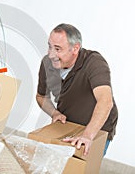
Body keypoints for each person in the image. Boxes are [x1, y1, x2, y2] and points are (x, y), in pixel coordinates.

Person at [36, 23, 118, 156]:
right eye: (49, 46)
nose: (51, 54)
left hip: (97, 128)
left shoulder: (94, 62)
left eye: (57, 49)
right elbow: (41, 96)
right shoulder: (47, 64)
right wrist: (54, 113)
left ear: (75, 48)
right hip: (67, 125)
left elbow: (105, 101)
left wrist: (87, 136)